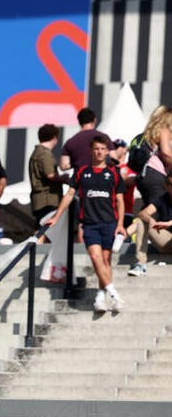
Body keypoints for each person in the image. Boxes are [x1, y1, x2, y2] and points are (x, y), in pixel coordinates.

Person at [48, 136, 126, 312]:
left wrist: (120, 225)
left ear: (107, 151)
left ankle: (100, 296)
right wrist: (57, 216)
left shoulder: (113, 173)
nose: (99, 152)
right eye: (96, 149)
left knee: (106, 260)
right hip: (89, 223)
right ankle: (113, 293)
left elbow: (120, 201)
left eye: (103, 149)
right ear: (92, 151)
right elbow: (69, 195)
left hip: (109, 223)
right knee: (95, 257)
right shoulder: (82, 172)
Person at [129, 106, 172, 276]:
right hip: (155, 175)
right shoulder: (164, 129)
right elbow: (166, 152)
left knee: (149, 213)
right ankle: (140, 262)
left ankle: (124, 233)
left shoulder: (150, 133)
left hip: (147, 176)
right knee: (146, 216)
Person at [129, 172, 172, 277]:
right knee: (141, 220)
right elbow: (143, 213)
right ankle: (141, 263)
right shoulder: (163, 199)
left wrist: (169, 223)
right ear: (167, 186)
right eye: (171, 184)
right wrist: (151, 221)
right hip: (167, 242)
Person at [28, 124, 66, 240]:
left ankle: (36, 249)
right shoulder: (45, 154)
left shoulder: (36, 153)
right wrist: (64, 178)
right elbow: (50, 175)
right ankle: (37, 250)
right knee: (45, 229)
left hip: (39, 199)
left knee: (40, 228)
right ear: (54, 137)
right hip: (48, 199)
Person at [59, 107, 115, 172]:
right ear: (94, 120)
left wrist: (77, 162)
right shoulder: (104, 137)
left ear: (79, 121)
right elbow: (114, 158)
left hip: (80, 178)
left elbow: (64, 166)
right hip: (101, 177)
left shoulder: (71, 142)